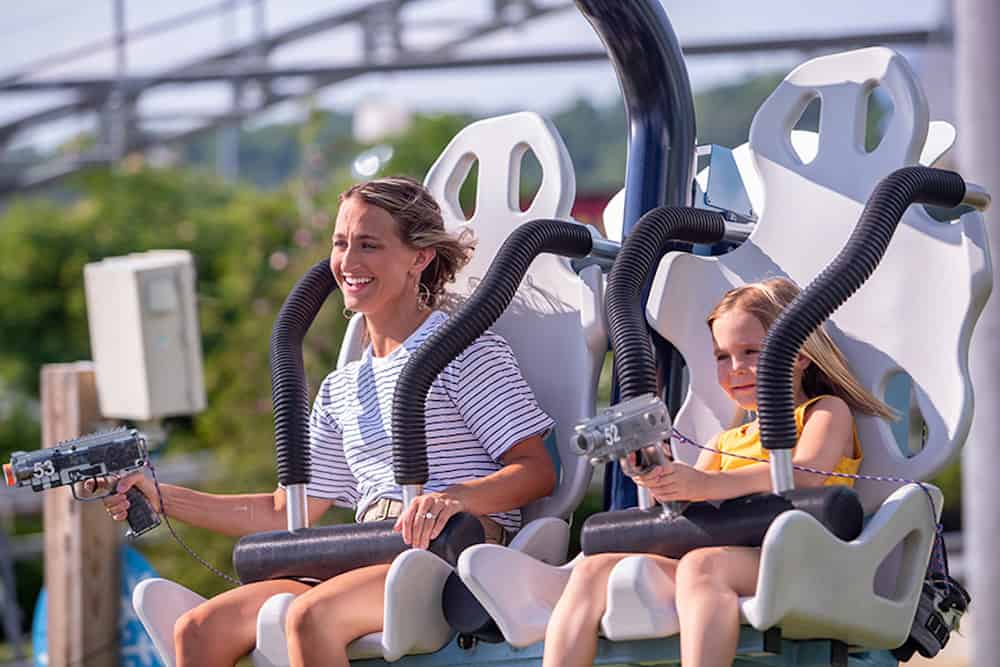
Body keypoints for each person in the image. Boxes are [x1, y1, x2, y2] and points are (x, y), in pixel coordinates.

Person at [102, 176, 558, 667]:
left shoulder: (464, 351)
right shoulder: (343, 388)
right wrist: (161, 495)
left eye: (369, 245)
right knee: (197, 629)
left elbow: (536, 470)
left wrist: (452, 499)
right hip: (367, 551)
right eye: (341, 244)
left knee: (309, 619)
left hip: (452, 551)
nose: (349, 262)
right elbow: (284, 513)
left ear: (418, 258)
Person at [542, 277, 894, 667]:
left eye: (751, 351)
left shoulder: (824, 412)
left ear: (799, 354)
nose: (736, 368)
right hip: (726, 558)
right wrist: (658, 476)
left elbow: (806, 473)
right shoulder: (727, 440)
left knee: (702, 565)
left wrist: (708, 483)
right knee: (592, 570)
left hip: (800, 558)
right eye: (723, 356)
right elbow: (687, 500)